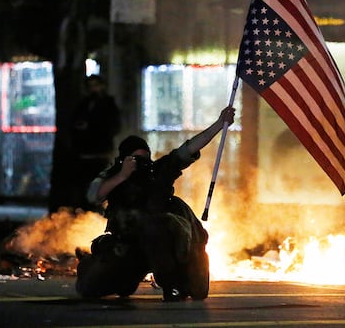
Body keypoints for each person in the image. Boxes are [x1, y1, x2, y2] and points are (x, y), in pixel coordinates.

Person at [75, 105, 236, 302]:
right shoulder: (114, 176)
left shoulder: (158, 171)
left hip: (168, 243)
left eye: (145, 159)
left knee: (197, 289)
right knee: (90, 288)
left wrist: (220, 124)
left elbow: (190, 148)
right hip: (132, 245)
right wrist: (122, 175)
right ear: (123, 159)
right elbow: (93, 195)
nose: (142, 164)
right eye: (136, 159)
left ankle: (173, 282)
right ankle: (99, 267)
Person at [67, 74, 121, 212]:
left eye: (96, 85)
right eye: (90, 86)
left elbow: (114, 126)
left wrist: (91, 127)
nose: (93, 89)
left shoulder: (108, 104)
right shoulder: (84, 104)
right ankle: (86, 212)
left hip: (101, 152)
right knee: (85, 187)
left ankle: (97, 212)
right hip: (85, 153)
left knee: (100, 185)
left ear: (102, 86)